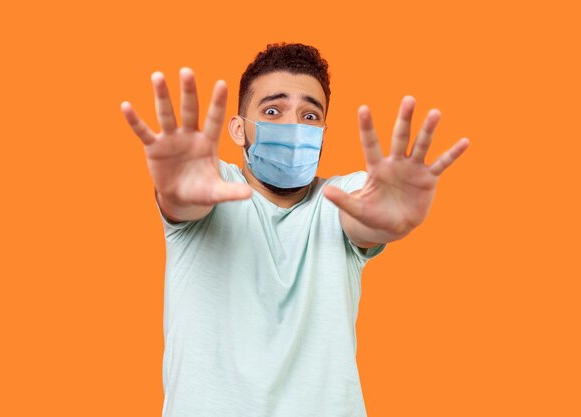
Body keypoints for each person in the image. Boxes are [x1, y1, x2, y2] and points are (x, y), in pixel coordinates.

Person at [121, 43, 469, 417]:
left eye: (309, 116)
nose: (292, 126)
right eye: (273, 111)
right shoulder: (214, 184)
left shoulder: (341, 198)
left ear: (322, 131)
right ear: (238, 129)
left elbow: (363, 217)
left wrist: (384, 216)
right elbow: (186, 201)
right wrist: (177, 190)